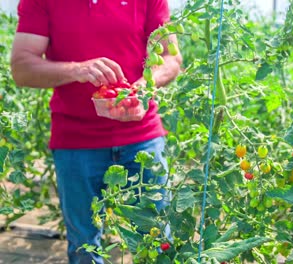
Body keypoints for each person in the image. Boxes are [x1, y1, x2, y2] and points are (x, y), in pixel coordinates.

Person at [10, 0, 182, 263]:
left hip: (142, 136)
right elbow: (22, 68)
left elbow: (171, 57)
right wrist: (77, 70)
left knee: (158, 241)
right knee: (84, 247)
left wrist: (145, 86)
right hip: (75, 140)